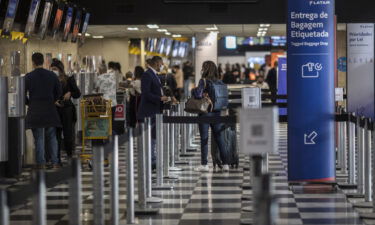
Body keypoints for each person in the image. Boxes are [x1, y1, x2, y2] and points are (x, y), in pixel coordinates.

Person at [25, 53, 62, 169]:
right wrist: (52, 100)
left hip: (35, 111)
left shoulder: (28, 76)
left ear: (33, 62)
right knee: (52, 138)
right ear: (43, 62)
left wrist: (29, 102)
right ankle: (55, 162)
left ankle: (41, 163)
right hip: (50, 111)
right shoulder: (52, 75)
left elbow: (22, 93)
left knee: (39, 139)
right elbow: (59, 92)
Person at [192, 61, 229, 172]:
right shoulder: (220, 82)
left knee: (204, 138)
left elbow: (198, 95)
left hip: (205, 112)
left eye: (203, 67)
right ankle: (226, 163)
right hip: (217, 111)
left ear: (205, 69)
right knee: (219, 138)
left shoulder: (203, 81)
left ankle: (204, 164)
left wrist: (194, 90)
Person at [137, 56, 170, 168]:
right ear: (156, 63)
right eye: (161, 63)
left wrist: (164, 97)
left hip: (155, 110)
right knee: (150, 137)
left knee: (154, 137)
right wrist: (160, 98)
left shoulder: (155, 75)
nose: (162, 66)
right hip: (148, 111)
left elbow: (157, 90)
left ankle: (153, 159)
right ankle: (150, 161)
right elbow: (146, 93)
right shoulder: (147, 74)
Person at [51, 58, 81, 162]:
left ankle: (69, 153)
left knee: (68, 134)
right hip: (55, 110)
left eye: (55, 68)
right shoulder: (50, 80)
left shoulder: (69, 79)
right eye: (51, 69)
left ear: (60, 69)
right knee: (56, 134)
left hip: (67, 110)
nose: (53, 71)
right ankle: (57, 157)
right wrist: (53, 101)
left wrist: (70, 93)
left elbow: (78, 93)